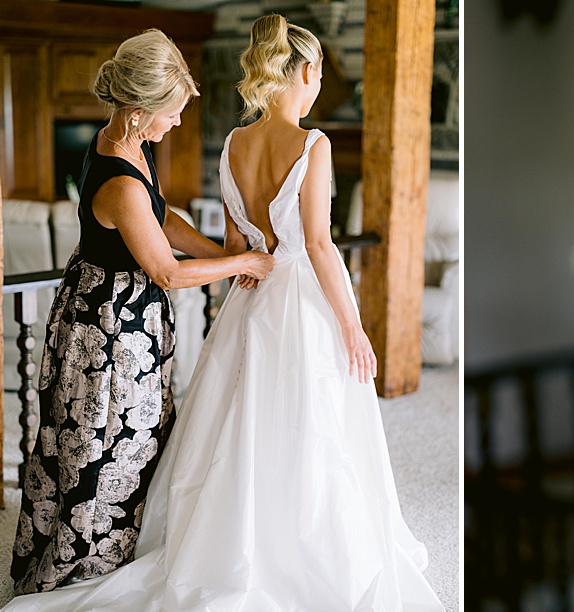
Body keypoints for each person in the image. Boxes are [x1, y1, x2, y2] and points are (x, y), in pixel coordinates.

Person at [3, 15, 443, 611]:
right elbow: (315, 246)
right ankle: (92, 554)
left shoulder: (221, 143)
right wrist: (350, 324)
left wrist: (234, 260)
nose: (179, 122)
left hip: (243, 297)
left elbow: (206, 230)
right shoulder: (312, 146)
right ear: (308, 72)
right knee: (294, 421)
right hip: (215, 306)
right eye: (172, 111)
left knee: (224, 419)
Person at [8, 29, 274, 596]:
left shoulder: (129, 141)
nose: (176, 123)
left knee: (138, 436)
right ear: (138, 112)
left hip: (125, 316)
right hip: (106, 330)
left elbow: (164, 217)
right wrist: (243, 262)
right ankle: (86, 564)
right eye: (171, 113)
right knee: (103, 442)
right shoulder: (120, 184)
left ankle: (126, 543)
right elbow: (167, 272)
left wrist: (220, 254)